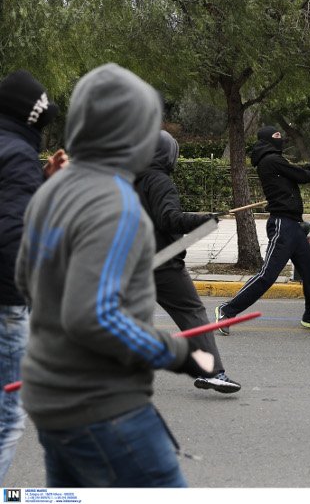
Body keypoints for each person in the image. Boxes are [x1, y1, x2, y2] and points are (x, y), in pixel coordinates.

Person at [14, 63, 214, 487]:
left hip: (49, 401)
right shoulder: (116, 205)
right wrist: (178, 353)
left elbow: (24, 279)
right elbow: (94, 317)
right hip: (104, 408)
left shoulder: (51, 189)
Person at [135, 130, 241, 393]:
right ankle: (212, 373)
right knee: (191, 313)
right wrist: (204, 220)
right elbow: (168, 219)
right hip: (161, 262)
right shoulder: (159, 181)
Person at [0, 70, 64, 484]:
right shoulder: (17, 154)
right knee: (7, 419)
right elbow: (13, 236)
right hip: (6, 302)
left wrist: (40, 182)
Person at [215, 126, 310, 333]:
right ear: (268, 141)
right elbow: (302, 175)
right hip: (283, 225)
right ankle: (227, 310)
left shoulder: (275, 161)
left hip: (294, 226)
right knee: (267, 275)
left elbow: (299, 171)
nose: (281, 141)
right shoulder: (271, 160)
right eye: (277, 138)